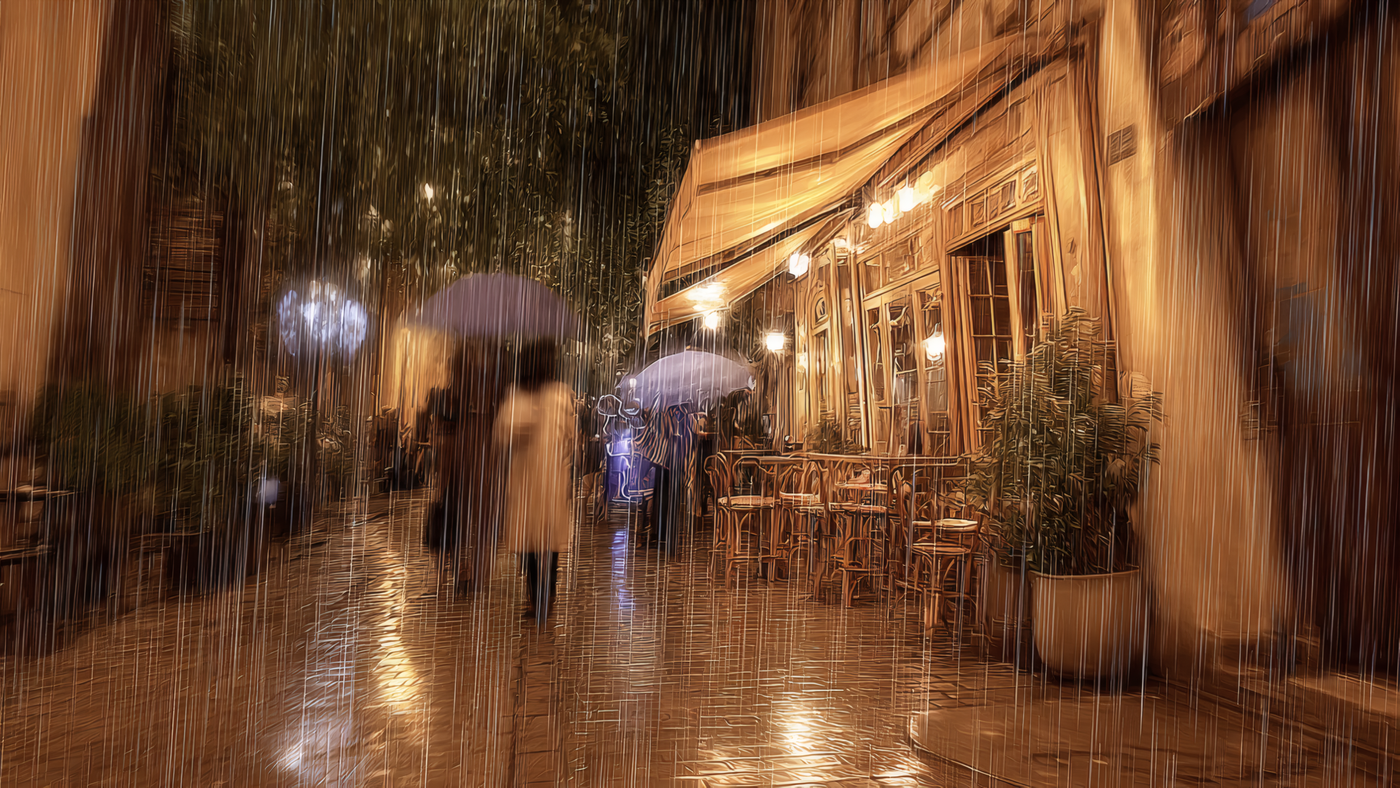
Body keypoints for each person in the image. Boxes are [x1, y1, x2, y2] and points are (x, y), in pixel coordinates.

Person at [494, 341, 577, 621]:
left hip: (539, 479)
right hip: (535, 479)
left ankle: (542, 597)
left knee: (541, 544)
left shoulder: (551, 395)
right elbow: (503, 436)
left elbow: (567, 433)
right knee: (537, 544)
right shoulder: (526, 396)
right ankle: (539, 597)